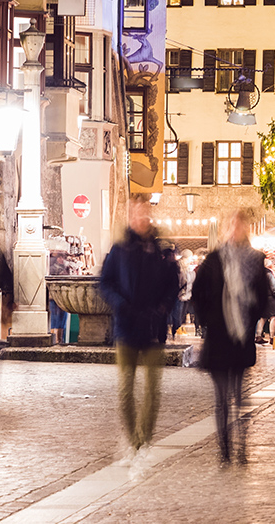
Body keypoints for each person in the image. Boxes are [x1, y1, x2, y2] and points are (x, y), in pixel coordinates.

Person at [99, 193, 180, 464]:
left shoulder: (162, 249)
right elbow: (105, 282)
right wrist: (120, 304)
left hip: (154, 328)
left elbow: (173, 283)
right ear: (131, 216)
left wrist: (164, 307)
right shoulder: (120, 248)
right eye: (137, 213)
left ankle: (144, 439)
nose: (141, 217)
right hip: (126, 326)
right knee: (125, 390)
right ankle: (134, 440)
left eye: (145, 212)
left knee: (153, 390)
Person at [190, 210, 273, 466]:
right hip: (218, 335)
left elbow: (263, 296)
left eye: (241, 226)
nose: (236, 230)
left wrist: (252, 319)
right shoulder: (214, 260)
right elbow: (198, 293)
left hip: (240, 337)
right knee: (222, 398)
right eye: (233, 225)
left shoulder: (256, 260)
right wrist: (205, 322)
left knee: (239, 396)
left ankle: (242, 447)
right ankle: (225, 450)